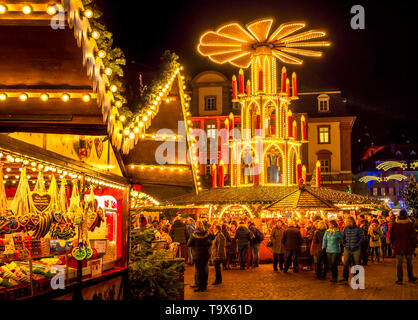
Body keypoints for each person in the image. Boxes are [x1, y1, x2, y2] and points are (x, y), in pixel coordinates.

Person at [390, 209, 417, 285]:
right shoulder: (410, 224)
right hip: (408, 246)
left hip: (398, 246)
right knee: (409, 263)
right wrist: (414, 246)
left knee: (399, 263)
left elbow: (391, 236)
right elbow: (413, 237)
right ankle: (410, 277)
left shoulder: (395, 225)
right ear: (406, 215)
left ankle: (400, 279)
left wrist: (392, 244)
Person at [187, 220, 212, 292]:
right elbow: (210, 241)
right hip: (205, 254)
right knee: (204, 270)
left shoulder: (194, 235)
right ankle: (204, 286)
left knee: (199, 271)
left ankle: (200, 286)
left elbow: (189, 244)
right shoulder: (207, 234)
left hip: (197, 254)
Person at [340, 216, 364, 283]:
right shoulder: (345, 229)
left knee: (356, 264)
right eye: (346, 221)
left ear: (352, 222)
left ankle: (356, 278)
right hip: (347, 249)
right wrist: (344, 244)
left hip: (356, 249)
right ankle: (345, 278)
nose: (346, 222)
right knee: (345, 264)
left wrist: (357, 245)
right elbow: (343, 237)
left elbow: (362, 238)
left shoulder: (358, 229)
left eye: (348, 221)